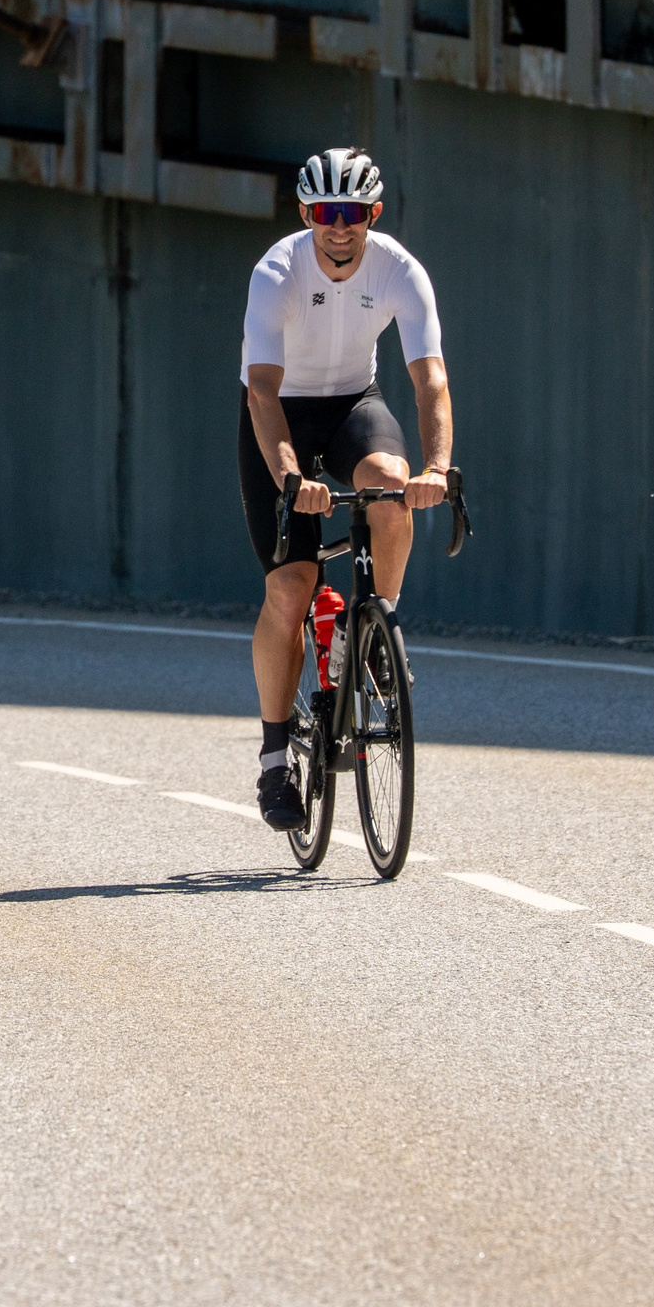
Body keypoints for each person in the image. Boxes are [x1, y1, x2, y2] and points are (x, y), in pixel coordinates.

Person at [240, 149, 454, 830]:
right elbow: (262, 390)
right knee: (291, 587)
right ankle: (275, 759)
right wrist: (290, 478)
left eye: (353, 214)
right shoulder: (277, 271)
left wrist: (437, 468)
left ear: (373, 215)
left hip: (354, 404)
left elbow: (429, 380)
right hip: (280, 413)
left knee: (391, 488)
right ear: (307, 214)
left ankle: (375, 631)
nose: (340, 227)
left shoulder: (399, 269)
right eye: (327, 212)